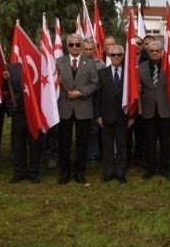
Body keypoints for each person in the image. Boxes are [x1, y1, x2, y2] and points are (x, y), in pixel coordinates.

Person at [55, 33, 99, 184]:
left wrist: (80, 92)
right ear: (67, 46)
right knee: (64, 142)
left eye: (77, 44)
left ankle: (80, 171)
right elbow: (52, 84)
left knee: (82, 142)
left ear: (81, 46)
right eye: (71, 45)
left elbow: (95, 84)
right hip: (64, 107)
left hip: (83, 106)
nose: (74, 47)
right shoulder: (59, 62)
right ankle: (65, 171)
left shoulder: (90, 62)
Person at [95, 44, 134, 183]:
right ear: (109, 56)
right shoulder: (102, 73)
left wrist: (132, 116)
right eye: (113, 55)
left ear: (123, 56)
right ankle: (108, 172)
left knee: (122, 146)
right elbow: (97, 97)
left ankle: (120, 172)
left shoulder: (129, 75)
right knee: (107, 146)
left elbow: (133, 97)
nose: (116, 57)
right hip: (106, 116)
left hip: (123, 117)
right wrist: (98, 115)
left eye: (119, 55)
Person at [139, 41, 170, 180]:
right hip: (148, 110)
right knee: (150, 141)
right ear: (147, 53)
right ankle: (150, 169)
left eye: (157, 50)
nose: (154, 53)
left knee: (165, 141)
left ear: (162, 52)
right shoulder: (140, 68)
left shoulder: (169, 67)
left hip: (165, 110)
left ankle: (165, 168)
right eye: (151, 51)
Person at [4, 62, 42, 183]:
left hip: (35, 108)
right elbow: (4, 88)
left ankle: (33, 171)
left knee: (35, 141)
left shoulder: (39, 62)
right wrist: (5, 79)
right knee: (18, 141)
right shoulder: (11, 67)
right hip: (18, 108)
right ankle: (19, 171)